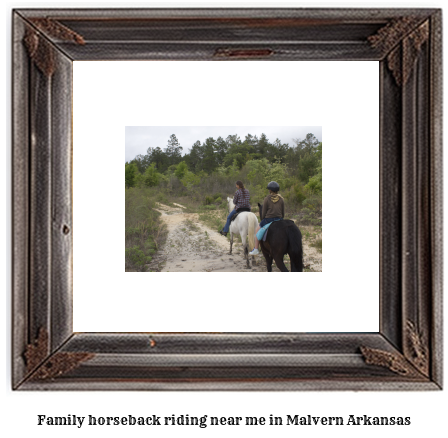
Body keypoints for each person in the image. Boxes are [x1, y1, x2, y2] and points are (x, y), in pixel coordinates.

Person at [249, 181, 284, 255]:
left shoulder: (267, 199)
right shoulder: (281, 199)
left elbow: (264, 212)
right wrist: (281, 219)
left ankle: (256, 249)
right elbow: (283, 212)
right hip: (279, 219)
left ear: (270, 190)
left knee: (256, 231)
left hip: (268, 219)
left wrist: (264, 218)